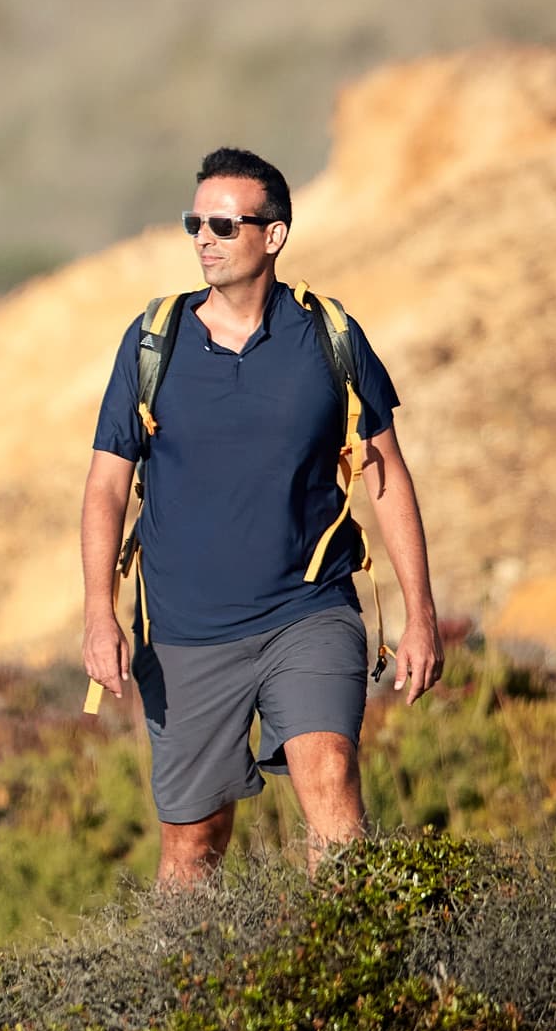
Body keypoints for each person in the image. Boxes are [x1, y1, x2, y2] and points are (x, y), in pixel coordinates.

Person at [79, 147, 440, 883]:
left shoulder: (331, 336)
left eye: (221, 223)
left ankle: (343, 969)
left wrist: (422, 613)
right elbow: (106, 487)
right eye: (194, 222)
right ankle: (177, 990)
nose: (202, 238)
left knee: (331, 778)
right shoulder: (153, 341)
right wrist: (97, 611)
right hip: (183, 632)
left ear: (272, 235)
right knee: (194, 841)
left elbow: (386, 474)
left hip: (308, 609)